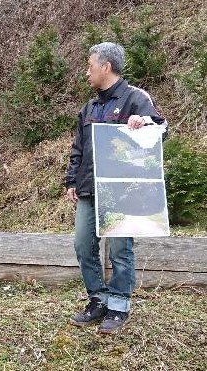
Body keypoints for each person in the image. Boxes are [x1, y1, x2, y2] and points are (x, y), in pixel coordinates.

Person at [65, 42, 167, 334]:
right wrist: (72, 180)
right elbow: (78, 148)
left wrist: (144, 121)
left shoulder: (136, 98)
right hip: (89, 189)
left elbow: (161, 130)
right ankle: (98, 300)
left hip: (123, 191)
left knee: (120, 250)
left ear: (106, 67)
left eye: (90, 66)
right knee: (83, 245)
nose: (87, 73)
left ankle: (119, 307)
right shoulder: (89, 107)